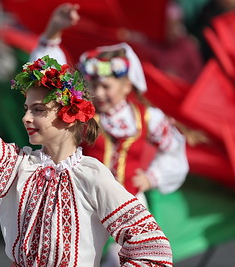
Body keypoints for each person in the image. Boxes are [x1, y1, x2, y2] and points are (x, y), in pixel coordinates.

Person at [0, 30, 173, 266]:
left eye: (39, 110)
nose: (26, 118)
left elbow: (151, 245)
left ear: (69, 114)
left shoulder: (92, 176)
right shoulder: (16, 168)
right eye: (26, 109)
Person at [29, 4, 189, 267]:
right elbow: (47, 75)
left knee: (128, 258)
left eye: (106, 85)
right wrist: (54, 31)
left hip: (128, 204)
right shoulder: (81, 113)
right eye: (92, 85)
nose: (99, 92)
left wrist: (152, 177)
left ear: (127, 85)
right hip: (84, 202)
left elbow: (174, 150)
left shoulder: (146, 118)